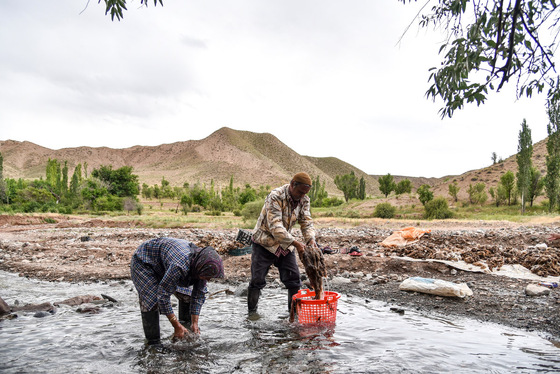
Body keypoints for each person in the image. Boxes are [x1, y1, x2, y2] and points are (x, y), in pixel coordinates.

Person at [130, 237, 224, 346]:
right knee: (151, 302)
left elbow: (199, 295)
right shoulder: (179, 266)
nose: (208, 280)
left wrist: (195, 323)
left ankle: (185, 332)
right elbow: (163, 295)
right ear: (200, 268)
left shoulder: (201, 265)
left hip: (166, 262)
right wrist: (175, 325)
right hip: (145, 261)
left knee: (186, 296)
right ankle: (153, 344)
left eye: (210, 278)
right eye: (207, 276)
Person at [248, 172, 317, 314]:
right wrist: (297, 244)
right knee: (257, 280)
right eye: (300, 192)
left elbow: (306, 222)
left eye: (305, 193)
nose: (302, 196)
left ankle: (293, 315)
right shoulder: (275, 196)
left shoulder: (304, 200)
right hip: (264, 242)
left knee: (294, 280)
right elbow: (275, 226)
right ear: (292, 184)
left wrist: (310, 239)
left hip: (285, 243)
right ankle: (252, 315)